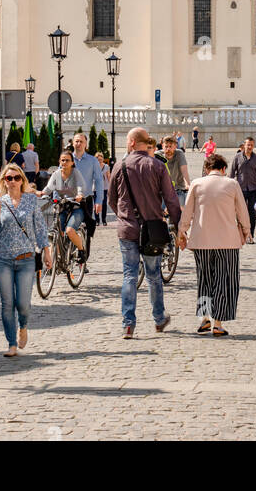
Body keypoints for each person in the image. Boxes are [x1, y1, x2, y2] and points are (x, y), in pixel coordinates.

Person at [108, 126, 181, 338]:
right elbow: (171, 199)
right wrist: (179, 226)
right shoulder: (157, 166)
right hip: (153, 230)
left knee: (129, 275)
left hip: (128, 229)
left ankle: (128, 324)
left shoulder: (120, 166)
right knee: (153, 276)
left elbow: (112, 199)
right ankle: (159, 319)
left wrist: (124, 216)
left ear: (131, 142)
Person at [177, 152, 250, 335]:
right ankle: (217, 323)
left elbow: (187, 212)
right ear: (224, 169)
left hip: (201, 241)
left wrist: (182, 231)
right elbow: (242, 212)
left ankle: (204, 319)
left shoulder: (197, 183)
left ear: (207, 169)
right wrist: (246, 231)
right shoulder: (232, 184)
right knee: (224, 281)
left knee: (204, 280)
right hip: (227, 241)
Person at [0, 163, 50, 357]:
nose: (13, 181)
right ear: (4, 182)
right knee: (7, 303)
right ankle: (11, 343)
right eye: (9, 178)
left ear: (22, 180)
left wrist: (46, 251)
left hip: (25, 259)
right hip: (2, 259)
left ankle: (23, 326)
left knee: (23, 303)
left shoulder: (31, 201)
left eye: (16, 178)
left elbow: (40, 228)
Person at [41, 149, 87, 252]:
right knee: (57, 230)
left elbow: (81, 185)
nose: (64, 162)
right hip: (62, 207)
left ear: (72, 162)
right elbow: (48, 188)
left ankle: (81, 250)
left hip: (76, 206)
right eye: (62, 160)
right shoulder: (56, 174)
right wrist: (41, 193)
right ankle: (60, 255)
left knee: (70, 230)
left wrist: (79, 194)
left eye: (67, 160)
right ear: (59, 162)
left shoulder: (75, 173)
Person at [71, 130, 105, 265]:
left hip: (86, 199)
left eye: (81, 141)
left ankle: (83, 259)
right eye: (76, 141)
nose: (78, 144)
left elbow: (99, 181)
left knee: (85, 228)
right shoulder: (67, 158)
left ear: (86, 144)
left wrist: (99, 201)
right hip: (69, 198)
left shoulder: (92, 161)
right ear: (73, 143)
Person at [229, 136, 256, 241]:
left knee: (252, 213)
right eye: (248, 144)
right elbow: (231, 173)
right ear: (244, 145)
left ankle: (250, 235)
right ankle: (240, 234)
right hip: (240, 189)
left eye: (251, 145)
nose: (249, 147)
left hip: (253, 189)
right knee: (240, 213)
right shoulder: (237, 157)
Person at [157, 135, 191, 209]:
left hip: (178, 188)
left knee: (180, 213)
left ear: (175, 146)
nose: (168, 149)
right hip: (162, 191)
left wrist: (188, 184)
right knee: (160, 213)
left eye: (170, 146)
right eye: (166, 146)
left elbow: (184, 170)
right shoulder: (158, 155)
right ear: (162, 146)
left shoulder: (179, 153)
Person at [95, 151, 112, 224]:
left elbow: (109, 176)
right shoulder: (93, 166)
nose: (100, 161)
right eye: (98, 159)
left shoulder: (106, 166)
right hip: (95, 188)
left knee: (104, 203)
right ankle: (97, 220)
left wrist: (111, 187)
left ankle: (104, 220)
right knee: (96, 204)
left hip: (104, 187)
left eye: (101, 159)